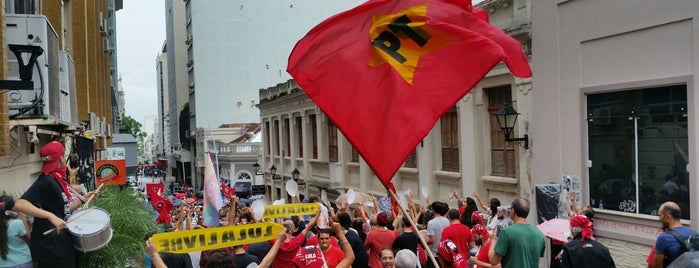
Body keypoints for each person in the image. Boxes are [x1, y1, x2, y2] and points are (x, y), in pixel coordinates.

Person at [14, 141, 100, 268]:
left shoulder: (57, 178)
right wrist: (50, 216)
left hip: (62, 245)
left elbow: (62, 209)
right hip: (51, 249)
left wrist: (82, 200)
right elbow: (20, 204)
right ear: (61, 158)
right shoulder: (46, 180)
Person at [488, 198, 545, 268]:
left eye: (510, 209)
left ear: (513, 211)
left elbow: (493, 261)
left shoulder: (506, 232)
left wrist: (493, 240)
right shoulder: (539, 235)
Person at [651, 201, 693, 268]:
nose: (659, 219)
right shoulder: (694, 234)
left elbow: (657, 265)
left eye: (660, 215)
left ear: (668, 216)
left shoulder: (664, 238)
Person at [0, 195, 32, 268]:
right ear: (12, 209)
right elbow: (28, 238)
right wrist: (23, 219)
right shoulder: (17, 223)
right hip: (22, 262)